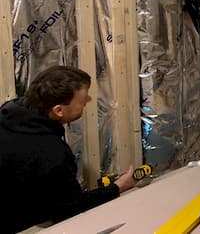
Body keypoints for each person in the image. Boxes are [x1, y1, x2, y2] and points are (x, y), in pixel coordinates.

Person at [0, 65, 137, 233]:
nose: (89, 100)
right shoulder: (50, 153)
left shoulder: (8, 113)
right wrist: (118, 187)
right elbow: (71, 208)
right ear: (58, 110)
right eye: (81, 101)